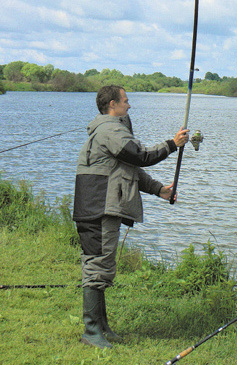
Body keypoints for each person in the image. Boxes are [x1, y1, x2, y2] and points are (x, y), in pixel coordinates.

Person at [73, 85, 189, 349]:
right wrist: (173, 144)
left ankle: (101, 327)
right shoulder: (111, 130)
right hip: (98, 207)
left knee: (100, 266)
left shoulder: (108, 131)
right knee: (97, 267)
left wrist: (159, 189)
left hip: (96, 205)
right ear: (112, 104)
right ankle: (91, 332)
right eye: (125, 101)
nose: (129, 106)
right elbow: (141, 156)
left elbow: (131, 169)